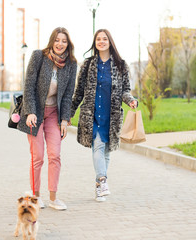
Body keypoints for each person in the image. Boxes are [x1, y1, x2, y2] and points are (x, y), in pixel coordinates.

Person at [70, 29, 138, 202]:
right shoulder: (87, 65)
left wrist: (130, 100)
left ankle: (99, 188)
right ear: (95, 43)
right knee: (98, 146)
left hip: (112, 115)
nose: (101, 41)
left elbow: (125, 91)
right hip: (92, 115)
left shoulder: (121, 65)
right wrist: (69, 113)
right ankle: (103, 180)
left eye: (104, 39)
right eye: (98, 39)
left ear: (110, 42)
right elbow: (79, 92)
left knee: (106, 152)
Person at [17, 27, 77, 210]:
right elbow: (28, 86)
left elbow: (68, 95)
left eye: (64, 41)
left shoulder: (71, 64)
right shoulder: (38, 57)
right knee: (38, 157)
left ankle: (53, 198)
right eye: (57, 40)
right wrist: (30, 112)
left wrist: (65, 120)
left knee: (55, 155)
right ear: (52, 41)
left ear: (68, 44)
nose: (60, 44)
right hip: (36, 112)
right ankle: (36, 197)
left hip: (54, 115)